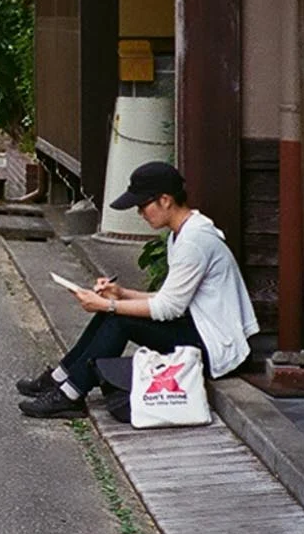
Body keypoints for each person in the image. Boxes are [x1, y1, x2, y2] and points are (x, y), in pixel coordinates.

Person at [18, 160, 259, 418]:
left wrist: (109, 304)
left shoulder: (194, 241)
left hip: (218, 349)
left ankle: (70, 394)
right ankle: (61, 379)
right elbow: (171, 299)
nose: (140, 214)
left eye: (143, 205)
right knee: (114, 313)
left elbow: (169, 308)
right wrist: (121, 294)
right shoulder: (185, 232)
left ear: (165, 200)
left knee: (119, 319)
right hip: (202, 330)